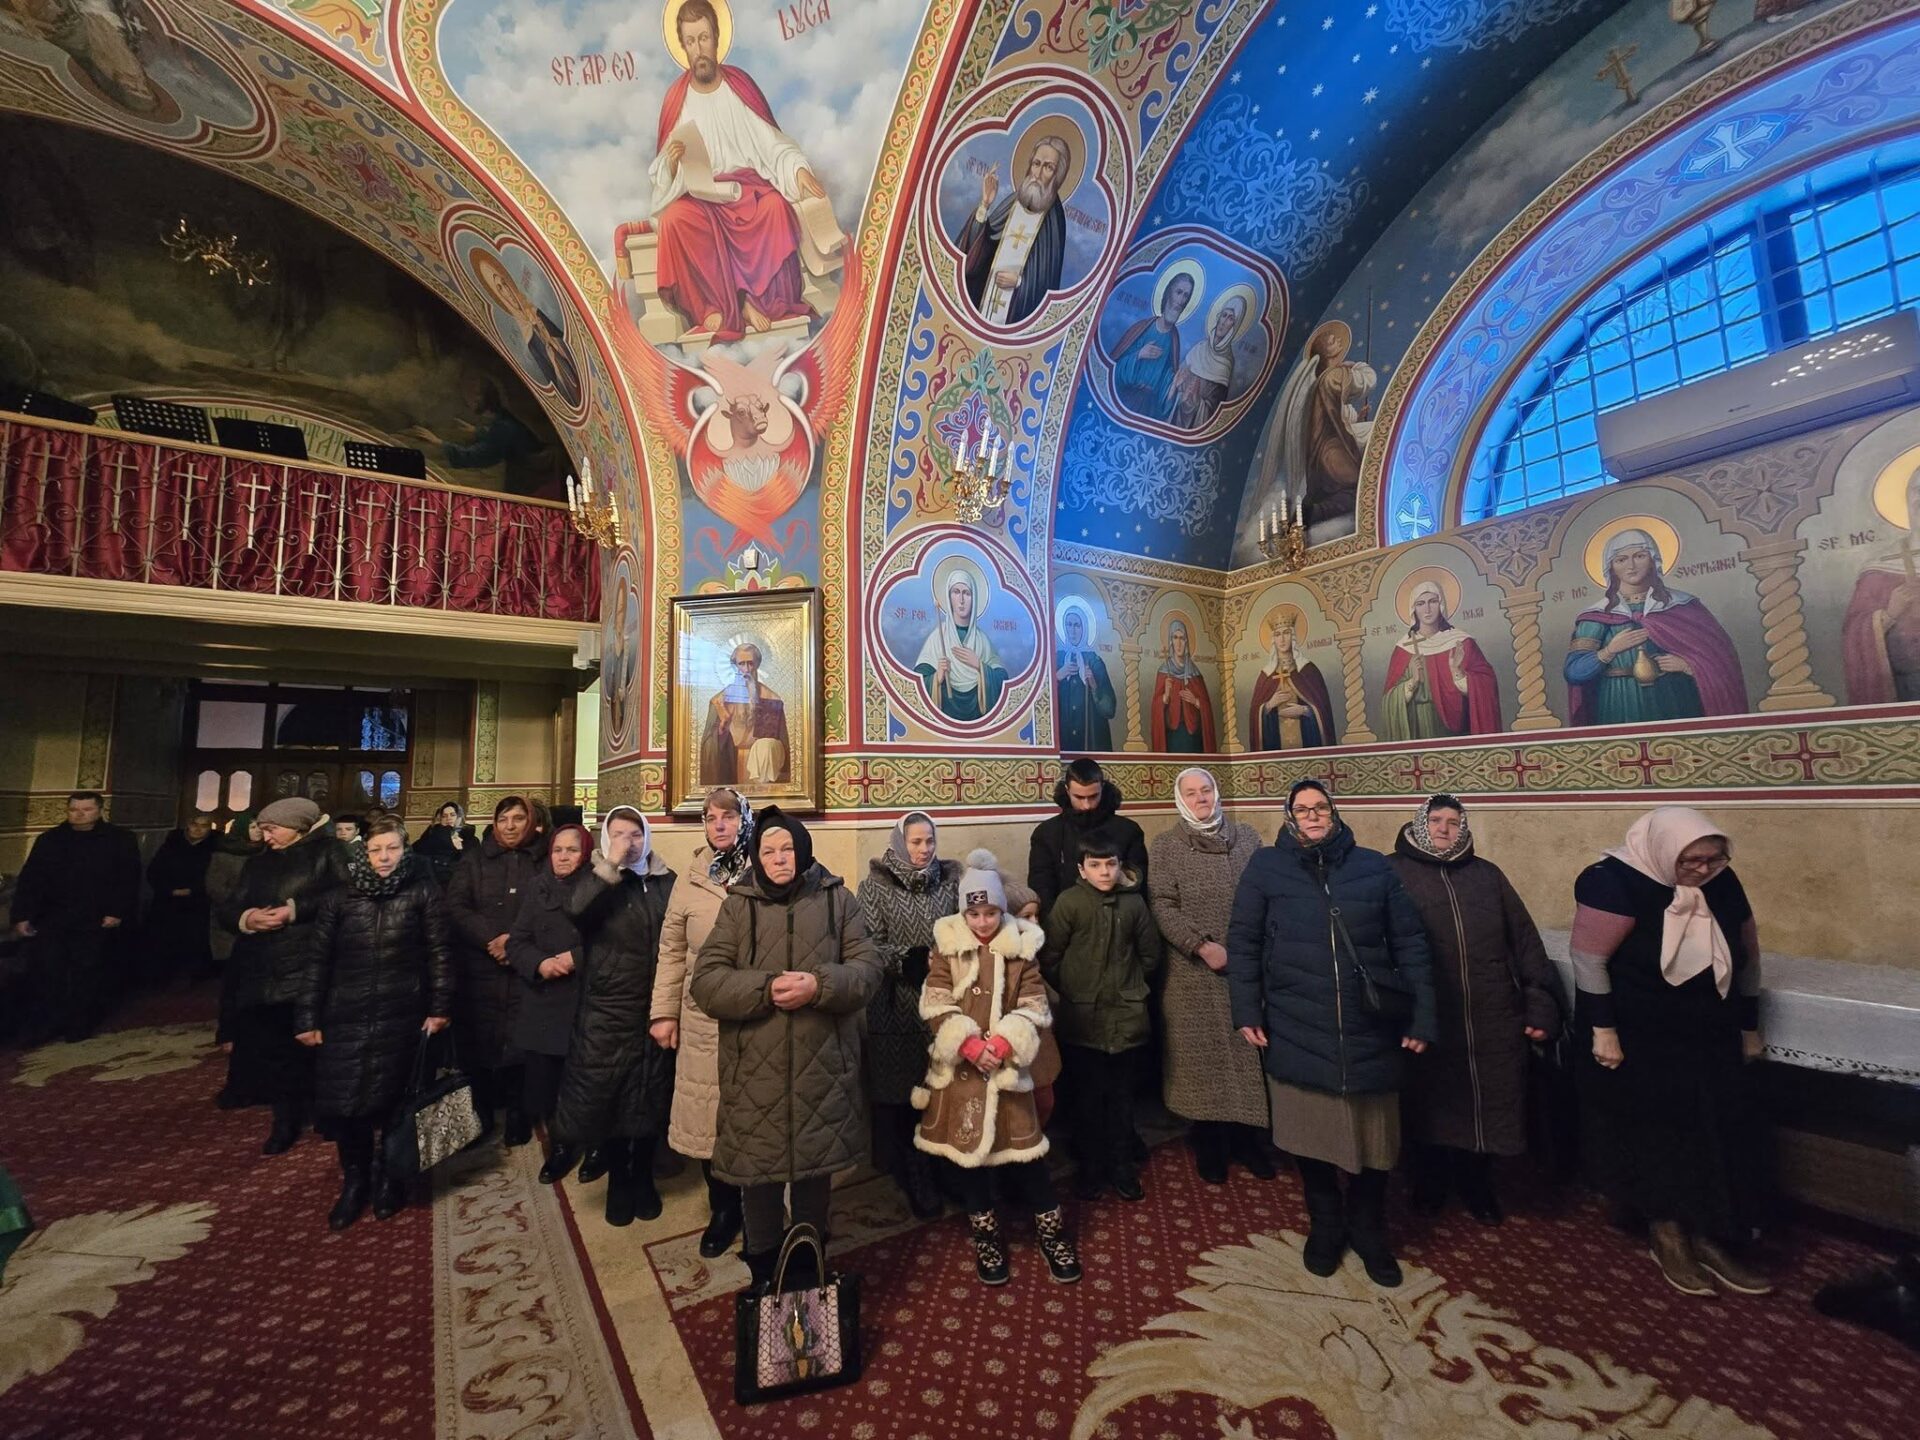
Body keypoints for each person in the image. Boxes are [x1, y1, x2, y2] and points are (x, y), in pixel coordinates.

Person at [1227, 779, 1436, 1288]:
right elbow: (1245, 939)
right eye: (1302, 809)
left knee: (1375, 1139)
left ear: (1335, 813)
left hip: (1369, 1025)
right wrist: (1246, 1009)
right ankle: (1325, 1224)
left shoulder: (1372, 866)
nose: (1313, 815)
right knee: (1309, 1133)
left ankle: (1369, 1228)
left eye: (1321, 807)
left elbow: (1410, 941)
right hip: (1297, 1020)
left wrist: (1423, 1016)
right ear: (1289, 817)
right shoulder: (1266, 867)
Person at [1572, 806, 1771, 1298]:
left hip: (1707, 1029)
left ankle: (1708, 1233)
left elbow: (1747, 956)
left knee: (1712, 1128)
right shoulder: (1611, 881)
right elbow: (1589, 960)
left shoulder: (1722, 881)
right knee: (1657, 1133)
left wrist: (1748, 1026)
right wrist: (1603, 1031)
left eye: (1714, 859)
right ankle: (1667, 1234)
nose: (1703, 871)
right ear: (1663, 851)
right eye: (1691, 861)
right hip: (1641, 1033)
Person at [689, 808, 882, 1291]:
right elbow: (706, 983)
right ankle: (763, 1274)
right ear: (757, 856)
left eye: (788, 849)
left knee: (815, 1175)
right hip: (755, 1073)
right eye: (769, 850)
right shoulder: (738, 907)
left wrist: (819, 985)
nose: (779, 858)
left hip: (823, 1069)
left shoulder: (838, 900)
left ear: (804, 851)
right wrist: (765, 988)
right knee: (758, 1178)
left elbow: (868, 970)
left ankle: (809, 1268)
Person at [1390, 795, 1562, 1224]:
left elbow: (1525, 943)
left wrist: (1540, 1005)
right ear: (1420, 823)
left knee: (1485, 1103)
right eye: (1436, 820)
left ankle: (1476, 1184)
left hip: (1492, 1016)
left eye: (1453, 822)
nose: (1444, 829)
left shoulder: (1487, 876)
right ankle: (1429, 1183)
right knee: (1428, 1100)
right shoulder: (1393, 873)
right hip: (1429, 1016)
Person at [914, 849, 1080, 1286]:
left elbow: (1034, 1002)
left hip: (1008, 1074)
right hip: (965, 1073)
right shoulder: (947, 946)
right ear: (963, 913)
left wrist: (1005, 1042)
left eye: (991, 913)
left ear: (1001, 910)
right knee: (971, 1162)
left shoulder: (1021, 948)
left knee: (1028, 1157)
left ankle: (1051, 1233)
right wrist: (968, 1044)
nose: (983, 921)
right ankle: (986, 1236)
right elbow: (935, 1000)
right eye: (975, 914)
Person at [297, 817, 453, 1230]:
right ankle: (355, 1180)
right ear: (364, 853)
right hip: (345, 1014)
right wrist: (307, 1015)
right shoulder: (339, 898)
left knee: (396, 1102)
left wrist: (439, 1007)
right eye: (375, 850)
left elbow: (439, 953)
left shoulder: (423, 893)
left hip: (403, 1012)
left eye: (392, 849)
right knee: (347, 1104)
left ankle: (389, 1176)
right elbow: (318, 960)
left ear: (405, 851)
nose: (384, 857)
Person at [647, 0, 828, 342]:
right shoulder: (676, 99)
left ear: (717, 38)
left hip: (746, 191)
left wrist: (798, 169)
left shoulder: (739, 86)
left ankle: (757, 302)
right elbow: (661, 172)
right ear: (682, 46)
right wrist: (671, 162)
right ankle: (712, 306)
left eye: (704, 38)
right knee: (674, 220)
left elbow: (772, 143)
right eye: (690, 41)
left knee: (775, 208)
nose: (699, 49)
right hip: (701, 197)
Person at [552, 807, 677, 1226]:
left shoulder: (665, 881)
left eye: (636, 834)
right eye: (619, 834)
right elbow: (577, 911)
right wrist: (610, 866)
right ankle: (619, 1182)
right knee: (612, 1097)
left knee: (650, 1094)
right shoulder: (597, 880)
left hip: (655, 1005)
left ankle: (643, 1176)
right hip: (608, 1009)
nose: (629, 842)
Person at [1149, 768, 1270, 1185]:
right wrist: (1201, 945)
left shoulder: (1247, 838)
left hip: (1246, 965)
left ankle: (1249, 1142)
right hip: (1193, 974)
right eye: (1191, 793)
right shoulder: (1166, 846)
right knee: (1204, 1063)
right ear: (1179, 799)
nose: (1200, 798)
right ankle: (1210, 1145)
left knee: (1249, 1055)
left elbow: (1266, 892)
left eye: (1206, 790)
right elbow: (1162, 903)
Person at [651, 788, 756, 1257]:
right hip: (702, 1017)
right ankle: (724, 1209)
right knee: (709, 1118)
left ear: (744, 820)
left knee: (756, 1116)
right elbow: (672, 949)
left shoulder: (765, 866)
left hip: (756, 1012)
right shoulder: (692, 877)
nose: (719, 825)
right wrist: (663, 1013)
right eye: (711, 818)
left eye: (728, 817)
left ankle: (761, 1208)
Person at [218, 797, 347, 1154]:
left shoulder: (330, 853)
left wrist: (294, 910)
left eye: (272, 829)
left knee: (320, 1046)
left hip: (314, 963)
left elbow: (348, 893)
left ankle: (329, 1114)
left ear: (297, 827)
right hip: (266, 968)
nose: (266, 836)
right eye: (263, 829)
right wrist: (247, 918)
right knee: (278, 1050)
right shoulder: (258, 863)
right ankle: (285, 1118)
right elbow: (229, 906)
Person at [1040, 831, 1163, 1203]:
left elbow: (1150, 955)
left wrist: (1131, 988)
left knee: (1122, 1099)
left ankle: (1122, 1167)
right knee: (1087, 1100)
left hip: (1127, 1017)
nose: (1105, 872)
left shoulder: (1133, 905)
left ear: (1120, 866)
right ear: (1082, 869)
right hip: (1083, 1020)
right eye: (1095, 865)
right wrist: (1076, 990)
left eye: (1111, 864)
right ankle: (1091, 1169)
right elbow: (1051, 956)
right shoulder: (1070, 903)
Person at [857, 811, 957, 1220]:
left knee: (942, 1090)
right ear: (901, 842)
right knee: (902, 1096)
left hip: (944, 1002)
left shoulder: (949, 883)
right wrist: (913, 960)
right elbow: (866, 944)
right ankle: (913, 1173)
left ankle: (942, 1167)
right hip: (895, 1005)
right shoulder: (874, 887)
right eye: (916, 842)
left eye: (929, 840)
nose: (924, 849)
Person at [1564, 528, 1747, 725]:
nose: (1631, 566)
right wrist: (1609, 651)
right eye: (1621, 560)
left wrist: (1688, 665)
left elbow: (1722, 662)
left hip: (1676, 700)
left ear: (1653, 560)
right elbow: (1574, 672)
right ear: (1611, 567)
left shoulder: (1683, 606)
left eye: (1639, 556)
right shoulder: (1596, 615)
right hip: (1619, 704)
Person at [446, 796, 548, 1145]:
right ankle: (482, 1113)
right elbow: (457, 905)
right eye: (503, 819)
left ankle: (519, 1112)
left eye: (518, 818)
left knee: (522, 1042)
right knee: (479, 1041)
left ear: (530, 822)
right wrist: (491, 938)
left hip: (524, 966)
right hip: (480, 966)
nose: (510, 825)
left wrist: (514, 943)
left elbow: (549, 908)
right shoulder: (474, 859)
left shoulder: (542, 859)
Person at [10, 790, 141, 1043]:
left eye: (86, 810)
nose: (79, 815)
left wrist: (116, 911)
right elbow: (31, 879)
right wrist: (22, 915)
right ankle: (48, 1023)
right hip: (52, 917)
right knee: (48, 972)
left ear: (99, 810)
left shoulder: (119, 839)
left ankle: (79, 1024)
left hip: (93, 917)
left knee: (86, 972)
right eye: (74, 810)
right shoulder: (50, 839)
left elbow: (127, 879)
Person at [506, 823, 592, 1186]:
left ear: (585, 853)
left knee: (584, 1080)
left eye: (572, 850)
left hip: (586, 997)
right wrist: (539, 963)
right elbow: (517, 942)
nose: (563, 857)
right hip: (544, 997)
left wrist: (575, 957)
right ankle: (561, 1145)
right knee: (547, 1083)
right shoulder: (538, 887)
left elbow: (615, 941)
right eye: (558, 850)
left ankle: (594, 1144)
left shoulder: (599, 888)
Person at [956, 128, 1072, 327]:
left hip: (1013, 318)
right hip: (982, 302)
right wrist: (985, 205)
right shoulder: (1014, 201)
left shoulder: (1054, 220)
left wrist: (1019, 283)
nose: (1038, 173)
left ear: (1057, 176)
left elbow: (1047, 283)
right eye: (1036, 163)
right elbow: (980, 250)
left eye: (1048, 167)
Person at [1026, 757, 1149, 922]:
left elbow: (1139, 884)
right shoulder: (1047, 833)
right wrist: (1056, 925)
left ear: (1102, 788)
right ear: (1067, 790)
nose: (1086, 805)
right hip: (1066, 923)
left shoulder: (1128, 831)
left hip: (1119, 921)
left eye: (1093, 796)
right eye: (1079, 797)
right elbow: (1041, 888)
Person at [1378, 582, 1503, 739]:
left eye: (1433, 601)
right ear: (1413, 609)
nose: (1427, 609)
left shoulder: (1461, 642)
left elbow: (1487, 685)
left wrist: (1458, 672)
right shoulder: (1404, 648)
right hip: (1419, 730)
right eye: (1420, 604)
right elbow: (1389, 700)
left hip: (1457, 732)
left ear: (1441, 604)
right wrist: (1413, 682)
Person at [913, 568, 1007, 722]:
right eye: (956, 592)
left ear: (974, 598)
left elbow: (1002, 680)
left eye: (967, 593)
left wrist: (979, 666)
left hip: (978, 718)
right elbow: (918, 683)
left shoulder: (982, 641)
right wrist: (937, 678)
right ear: (949, 597)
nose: (961, 600)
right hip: (944, 716)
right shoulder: (938, 637)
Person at [698, 642, 791, 786]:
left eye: (750, 663)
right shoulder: (719, 701)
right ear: (734, 667)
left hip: (762, 763)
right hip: (731, 762)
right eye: (741, 664)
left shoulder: (771, 698)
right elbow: (708, 745)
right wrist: (722, 729)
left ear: (757, 665)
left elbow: (781, 741)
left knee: (766, 745)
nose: (746, 670)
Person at [142, 813, 217, 988]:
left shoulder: (214, 850)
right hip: (167, 901)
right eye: (194, 824)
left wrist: (194, 890)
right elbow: (154, 871)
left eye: (204, 826)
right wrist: (169, 889)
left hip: (197, 903)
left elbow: (214, 876)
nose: (198, 829)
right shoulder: (171, 846)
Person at [1111, 267, 1194, 419]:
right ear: (1169, 293)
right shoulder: (1142, 328)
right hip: (1126, 402)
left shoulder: (1173, 340)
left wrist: (1174, 384)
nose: (1181, 300)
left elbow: (1164, 384)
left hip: (1149, 409)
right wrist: (1139, 355)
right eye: (1179, 292)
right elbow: (1115, 371)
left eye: (1186, 296)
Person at [1248, 612, 1336, 750]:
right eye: (1278, 635)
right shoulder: (1266, 676)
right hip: (1276, 749)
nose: (1282, 639)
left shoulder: (1309, 671)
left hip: (1308, 747)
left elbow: (1324, 711)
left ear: (1293, 636)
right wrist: (1269, 705)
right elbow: (1255, 716)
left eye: (1286, 633)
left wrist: (1305, 710)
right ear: (1273, 639)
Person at [1167, 291, 1246, 430]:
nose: (1223, 322)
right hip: (1173, 419)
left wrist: (1197, 403)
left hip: (1192, 431)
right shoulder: (1198, 350)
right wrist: (1176, 386)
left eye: (1230, 318)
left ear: (1235, 326)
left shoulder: (1225, 366)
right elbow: (1175, 385)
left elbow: (1214, 412)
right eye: (1224, 315)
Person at [1054, 602, 1117, 753]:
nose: (1072, 630)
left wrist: (1094, 685)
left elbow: (1109, 709)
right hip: (1063, 738)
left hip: (1090, 737)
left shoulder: (1094, 661)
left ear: (1084, 628)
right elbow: (1041, 700)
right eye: (1069, 625)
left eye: (1077, 625)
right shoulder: (1057, 659)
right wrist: (1057, 677)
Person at [1149, 618, 1216, 753]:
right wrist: (1166, 696)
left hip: (1193, 738)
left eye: (1182, 638)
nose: (1179, 643)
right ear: (1171, 641)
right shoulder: (1164, 672)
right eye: (1175, 638)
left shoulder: (1195, 673)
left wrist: (1196, 701)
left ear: (1186, 642)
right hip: (1173, 737)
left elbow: (1207, 707)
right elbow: (1156, 707)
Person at [414, 802, 477, 889]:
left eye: (452, 815)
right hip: (433, 882)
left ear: (459, 817)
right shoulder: (431, 835)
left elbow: (473, 863)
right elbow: (417, 851)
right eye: (444, 816)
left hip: (461, 882)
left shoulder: (469, 837)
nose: (448, 818)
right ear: (440, 819)